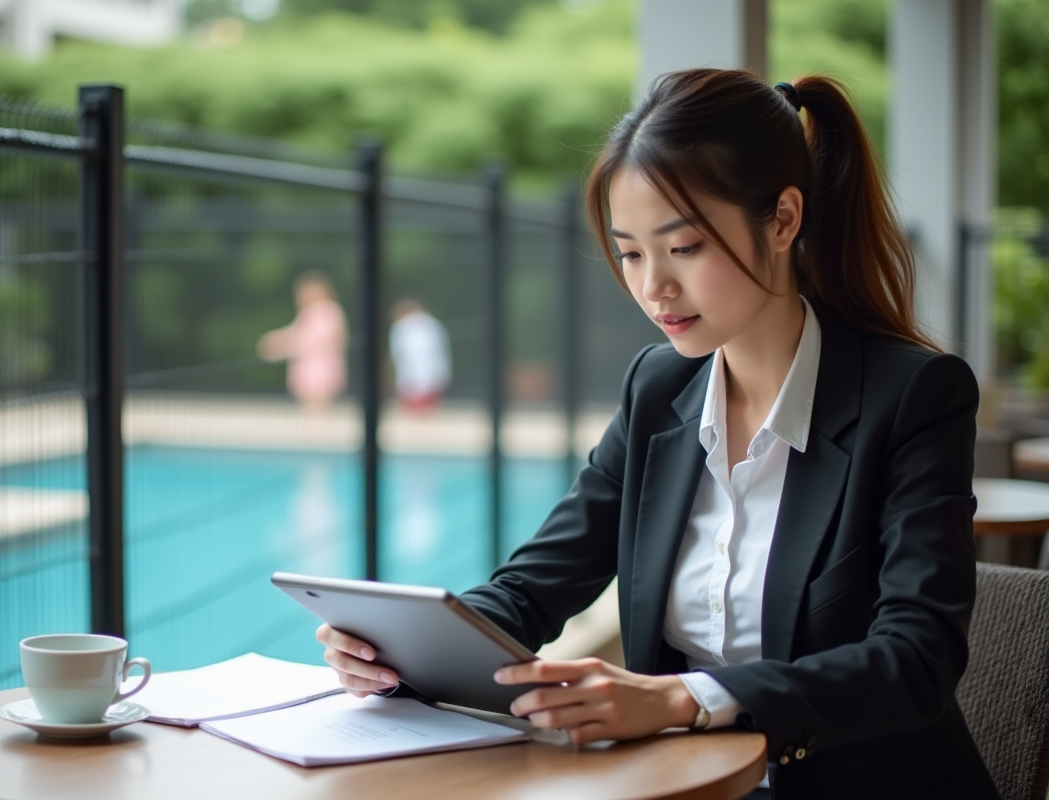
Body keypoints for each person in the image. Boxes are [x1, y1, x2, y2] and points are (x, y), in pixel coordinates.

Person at [316, 69, 998, 799]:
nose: (653, 288)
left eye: (685, 248)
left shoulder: (913, 396)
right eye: (633, 252)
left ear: (783, 219)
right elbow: (534, 587)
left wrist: (682, 698)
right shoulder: (660, 388)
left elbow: (915, 660)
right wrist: (401, 652)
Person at [257, 272, 347, 414]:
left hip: (320, 368)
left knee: (318, 408)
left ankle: (317, 433)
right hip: (309, 368)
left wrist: (281, 345)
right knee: (311, 408)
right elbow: (297, 334)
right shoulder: (309, 313)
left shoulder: (329, 311)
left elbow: (311, 338)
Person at [388, 299, 452, 412]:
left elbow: (398, 355)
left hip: (414, 381)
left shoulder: (401, 327)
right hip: (428, 378)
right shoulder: (433, 324)